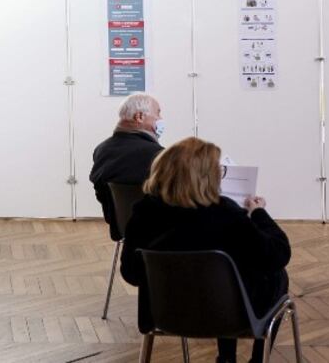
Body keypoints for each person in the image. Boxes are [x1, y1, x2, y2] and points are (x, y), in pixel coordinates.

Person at [120, 137, 291, 363]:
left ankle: (227, 358)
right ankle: (257, 359)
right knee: (275, 275)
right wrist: (259, 213)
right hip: (231, 316)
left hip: (165, 313)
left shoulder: (143, 213)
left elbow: (131, 274)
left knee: (223, 274)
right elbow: (277, 254)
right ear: (206, 176)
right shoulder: (225, 214)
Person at [89, 92, 165, 240]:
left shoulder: (101, 149)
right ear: (140, 117)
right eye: (158, 113)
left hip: (120, 227)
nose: (161, 119)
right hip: (159, 231)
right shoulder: (158, 154)